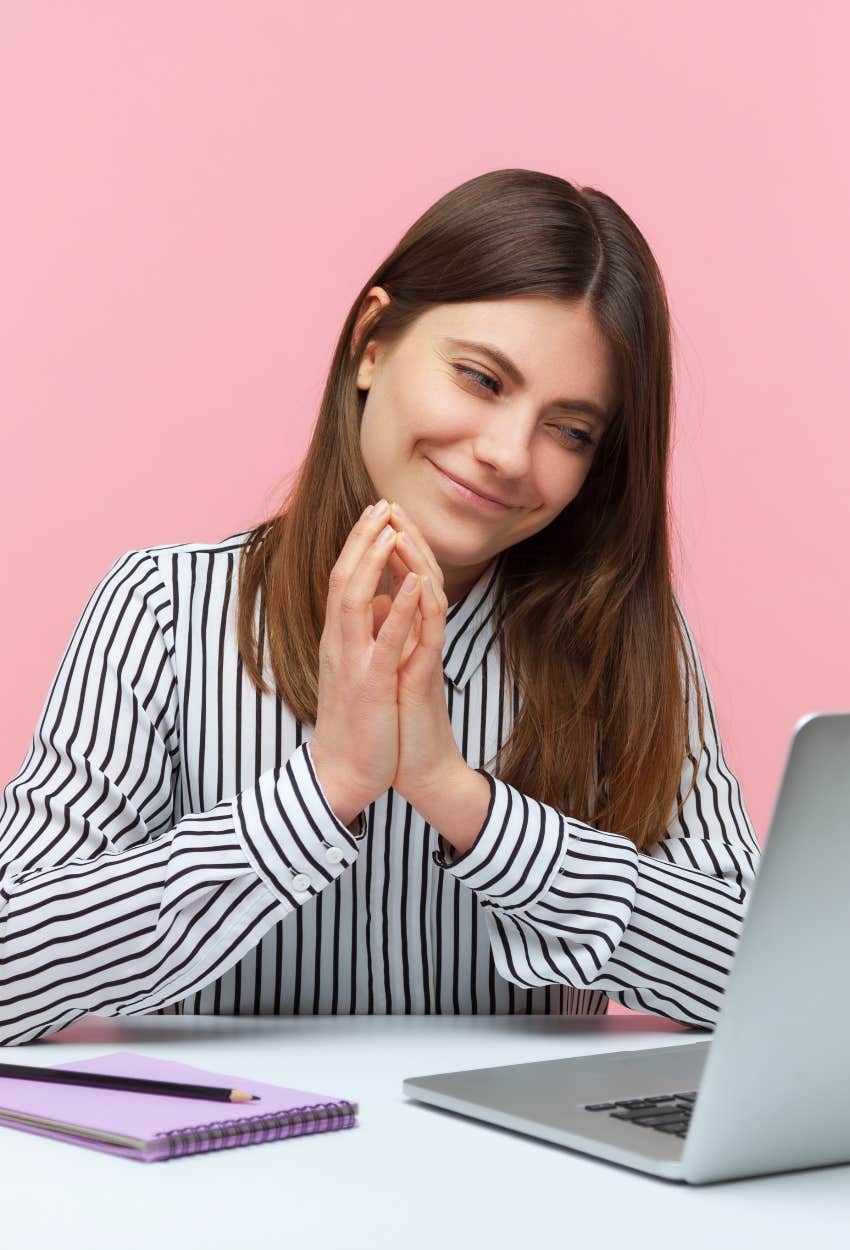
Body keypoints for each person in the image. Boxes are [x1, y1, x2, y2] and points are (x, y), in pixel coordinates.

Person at [0, 168, 759, 1046]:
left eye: (571, 430)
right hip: (222, 1171)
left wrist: (464, 801)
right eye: (481, 379)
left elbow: (770, 985)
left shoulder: (628, 644)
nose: (509, 454)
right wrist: (325, 789)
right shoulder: (164, 613)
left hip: (533, 1177)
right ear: (371, 343)